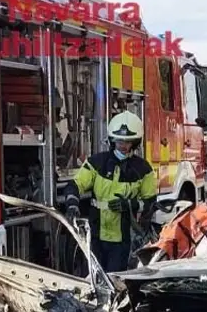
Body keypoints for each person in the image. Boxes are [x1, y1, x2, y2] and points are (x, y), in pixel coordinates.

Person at [64, 110, 158, 273]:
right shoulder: (96, 162)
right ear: (112, 140)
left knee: (116, 277)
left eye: (127, 141)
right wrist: (72, 205)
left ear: (134, 143)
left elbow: (150, 202)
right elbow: (74, 185)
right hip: (95, 234)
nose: (123, 145)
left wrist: (130, 205)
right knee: (94, 276)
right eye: (119, 140)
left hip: (123, 238)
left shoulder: (142, 169)